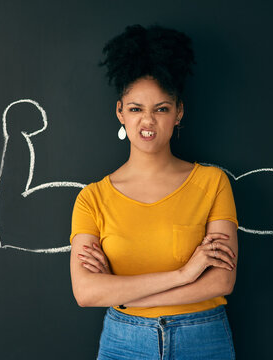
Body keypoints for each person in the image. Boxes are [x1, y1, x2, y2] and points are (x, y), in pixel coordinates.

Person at [69, 23, 239, 360]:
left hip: (201, 338)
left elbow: (221, 282)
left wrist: (123, 294)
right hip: (123, 342)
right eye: (136, 109)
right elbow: (87, 292)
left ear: (179, 112)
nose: (148, 121)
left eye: (161, 108)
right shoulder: (92, 198)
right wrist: (185, 274)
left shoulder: (212, 182)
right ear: (120, 112)